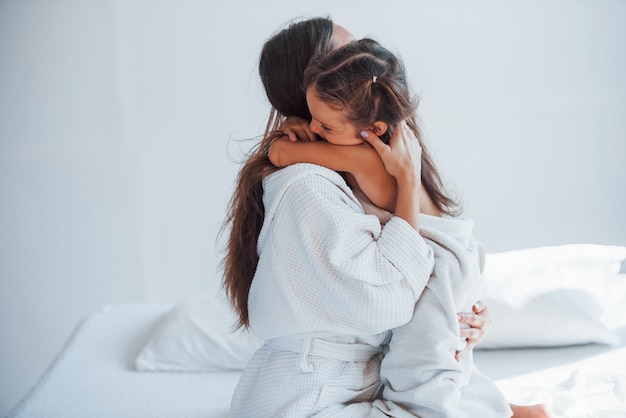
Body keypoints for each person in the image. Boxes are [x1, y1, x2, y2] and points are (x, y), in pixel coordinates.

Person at [223, 17, 550, 418]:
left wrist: (463, 312)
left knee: (430, 361)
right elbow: (389, 296)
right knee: (429, 362)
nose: (367, 54)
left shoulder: (374, 157)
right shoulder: (315, 184)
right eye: (348, 51)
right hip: (439, 268)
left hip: (444, 263)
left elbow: (416, 271)